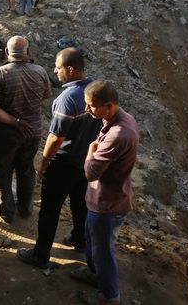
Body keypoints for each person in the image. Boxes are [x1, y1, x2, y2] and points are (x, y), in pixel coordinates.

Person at [17, 48, 100, 269]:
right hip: (87, 162)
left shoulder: (67, 99)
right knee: (81, 204)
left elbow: (55, 138)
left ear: (70, 70)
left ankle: (41, 254)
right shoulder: (95, 91)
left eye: (58, 66)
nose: (55, 70)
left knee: (50, 209)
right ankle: (79, 240)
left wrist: (43, 163)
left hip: (64, 164)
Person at [71, 81, 138, 305]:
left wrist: (91, 150)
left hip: (107, 205)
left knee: (103, 253)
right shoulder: (120, 118)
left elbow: (90, 173)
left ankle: (109, 297)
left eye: (92, 106)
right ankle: (94, 274)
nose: (88, 110)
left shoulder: (119, 134)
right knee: (92, 242)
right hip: (103, 199)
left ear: (109, 106)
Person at [0, 36, 51, 223]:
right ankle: (25, 209)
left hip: (6, 134)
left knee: (2, 171)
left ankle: (6, 212)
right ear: (28, 52)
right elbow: (45, 95)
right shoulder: (40, 71)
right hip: (33, 132)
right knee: (26, 170)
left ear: (7, 52)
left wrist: (15, 121)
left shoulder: (0, 74)